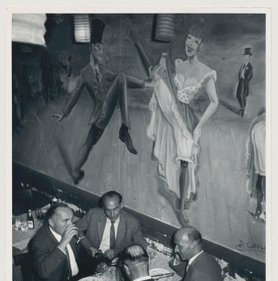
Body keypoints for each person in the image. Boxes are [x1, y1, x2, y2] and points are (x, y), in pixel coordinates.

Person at [134, 22, 218, 223]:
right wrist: (162, 64)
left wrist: (198, 128)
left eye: (196, 41)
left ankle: (181, 207)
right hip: (169, 107)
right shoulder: (179, 64)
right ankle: (157, 136)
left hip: (185, 119)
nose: (190, 43)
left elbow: (215, 102)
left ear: (200, 46)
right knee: (158, 82)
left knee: (184, 162)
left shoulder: (206, 72)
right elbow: (165, 83)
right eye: (189, 38)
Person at [53, 19, 146, 184]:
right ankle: (124, 129)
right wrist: (64, 113)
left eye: (101, 48)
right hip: (100, 115)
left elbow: (121, 81)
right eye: (98, 47)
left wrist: (142, 84)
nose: (101, 51)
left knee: (89, 143)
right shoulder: (85, 74)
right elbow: (74, 95)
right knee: (89, 143)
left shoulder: (103, 69)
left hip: (105, 112)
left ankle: (75, 172)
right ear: (92, 49)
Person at [29, 203, 87, 281]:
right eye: (65, 221)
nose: (71, 225)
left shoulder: (71, 230)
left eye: (72, 219)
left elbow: (82, 255)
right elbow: (43, 271)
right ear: (51, 222)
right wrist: (63, 242)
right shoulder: (40, 241)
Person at [76, 191, 147, 264]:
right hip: (91, 257)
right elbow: (76, 228)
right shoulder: (93, 214)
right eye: (107, 210)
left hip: (117, 260)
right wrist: (89, 247)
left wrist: (117, 252)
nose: (112, 214)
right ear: (103, 207)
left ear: (121, 205)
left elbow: (141, 244)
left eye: (115, 209)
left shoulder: (132, 222)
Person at [246, 107, 265, 221]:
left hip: (258, 129)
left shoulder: (257, 123)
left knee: (261, 175)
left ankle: (259, 207)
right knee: (265, 176)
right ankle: (262, 209)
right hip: (263, 131)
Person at [236, 47, 253, 117]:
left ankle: (243, 110)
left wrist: (246, 80)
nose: (246, 57)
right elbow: (239, 72)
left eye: (247, 56)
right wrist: (240, 77)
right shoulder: (243, 65)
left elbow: (251, 75)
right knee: (237, 95)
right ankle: (243, 107)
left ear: (249, 57)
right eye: (245, 56)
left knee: (243, 96)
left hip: (245, 82)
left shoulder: (250, 66)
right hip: (241, 81)